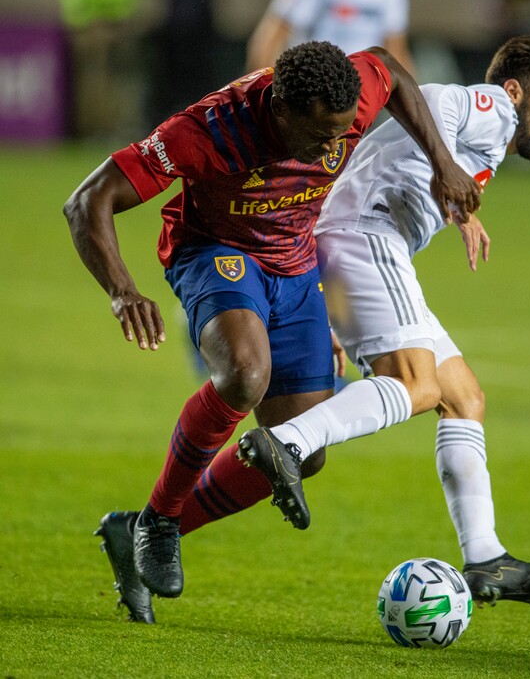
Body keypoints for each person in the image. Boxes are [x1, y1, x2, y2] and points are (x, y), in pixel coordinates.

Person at [64, 40, 481, 623]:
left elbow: (389, 69)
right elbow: (88, 199)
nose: (333, 147)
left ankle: (135, 532)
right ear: (281, 109)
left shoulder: (348, 95)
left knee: (300, 451)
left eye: (342, 132)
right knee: (244, 373)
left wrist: (444, 162)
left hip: (296, 262)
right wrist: (122, 291)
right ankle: (160, 521)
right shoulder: (207, 131)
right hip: (215, 251)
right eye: (319, 135)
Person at [236, 34, 530, 607]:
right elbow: (434, 99)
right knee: (415, 384)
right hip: (365, 235)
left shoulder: (491, 146)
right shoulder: (491, 108)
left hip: (345, 249)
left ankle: (486, 559)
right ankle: (289, 442)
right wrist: (446, 171)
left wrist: (456, 196)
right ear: (516, 91)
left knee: (462, 397)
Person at [246, 0, 414, 75]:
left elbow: (396, 52)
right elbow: (270, 38)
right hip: (310, 85)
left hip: (359, 92)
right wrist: (262, 95)